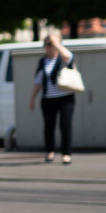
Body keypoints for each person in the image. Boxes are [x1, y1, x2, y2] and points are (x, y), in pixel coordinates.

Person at [28, 33, 76, 164]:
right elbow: (38, 82)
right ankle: (49, 152)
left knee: (65, 125)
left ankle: (66, 154)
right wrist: (32, 99)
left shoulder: (62, 58)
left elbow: (68, 56)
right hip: (48, 99)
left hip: (65, 98)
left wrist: (56, 43)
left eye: (51, 44)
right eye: (46, 44)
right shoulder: (43, 61)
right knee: (49, 126)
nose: (48, 47)